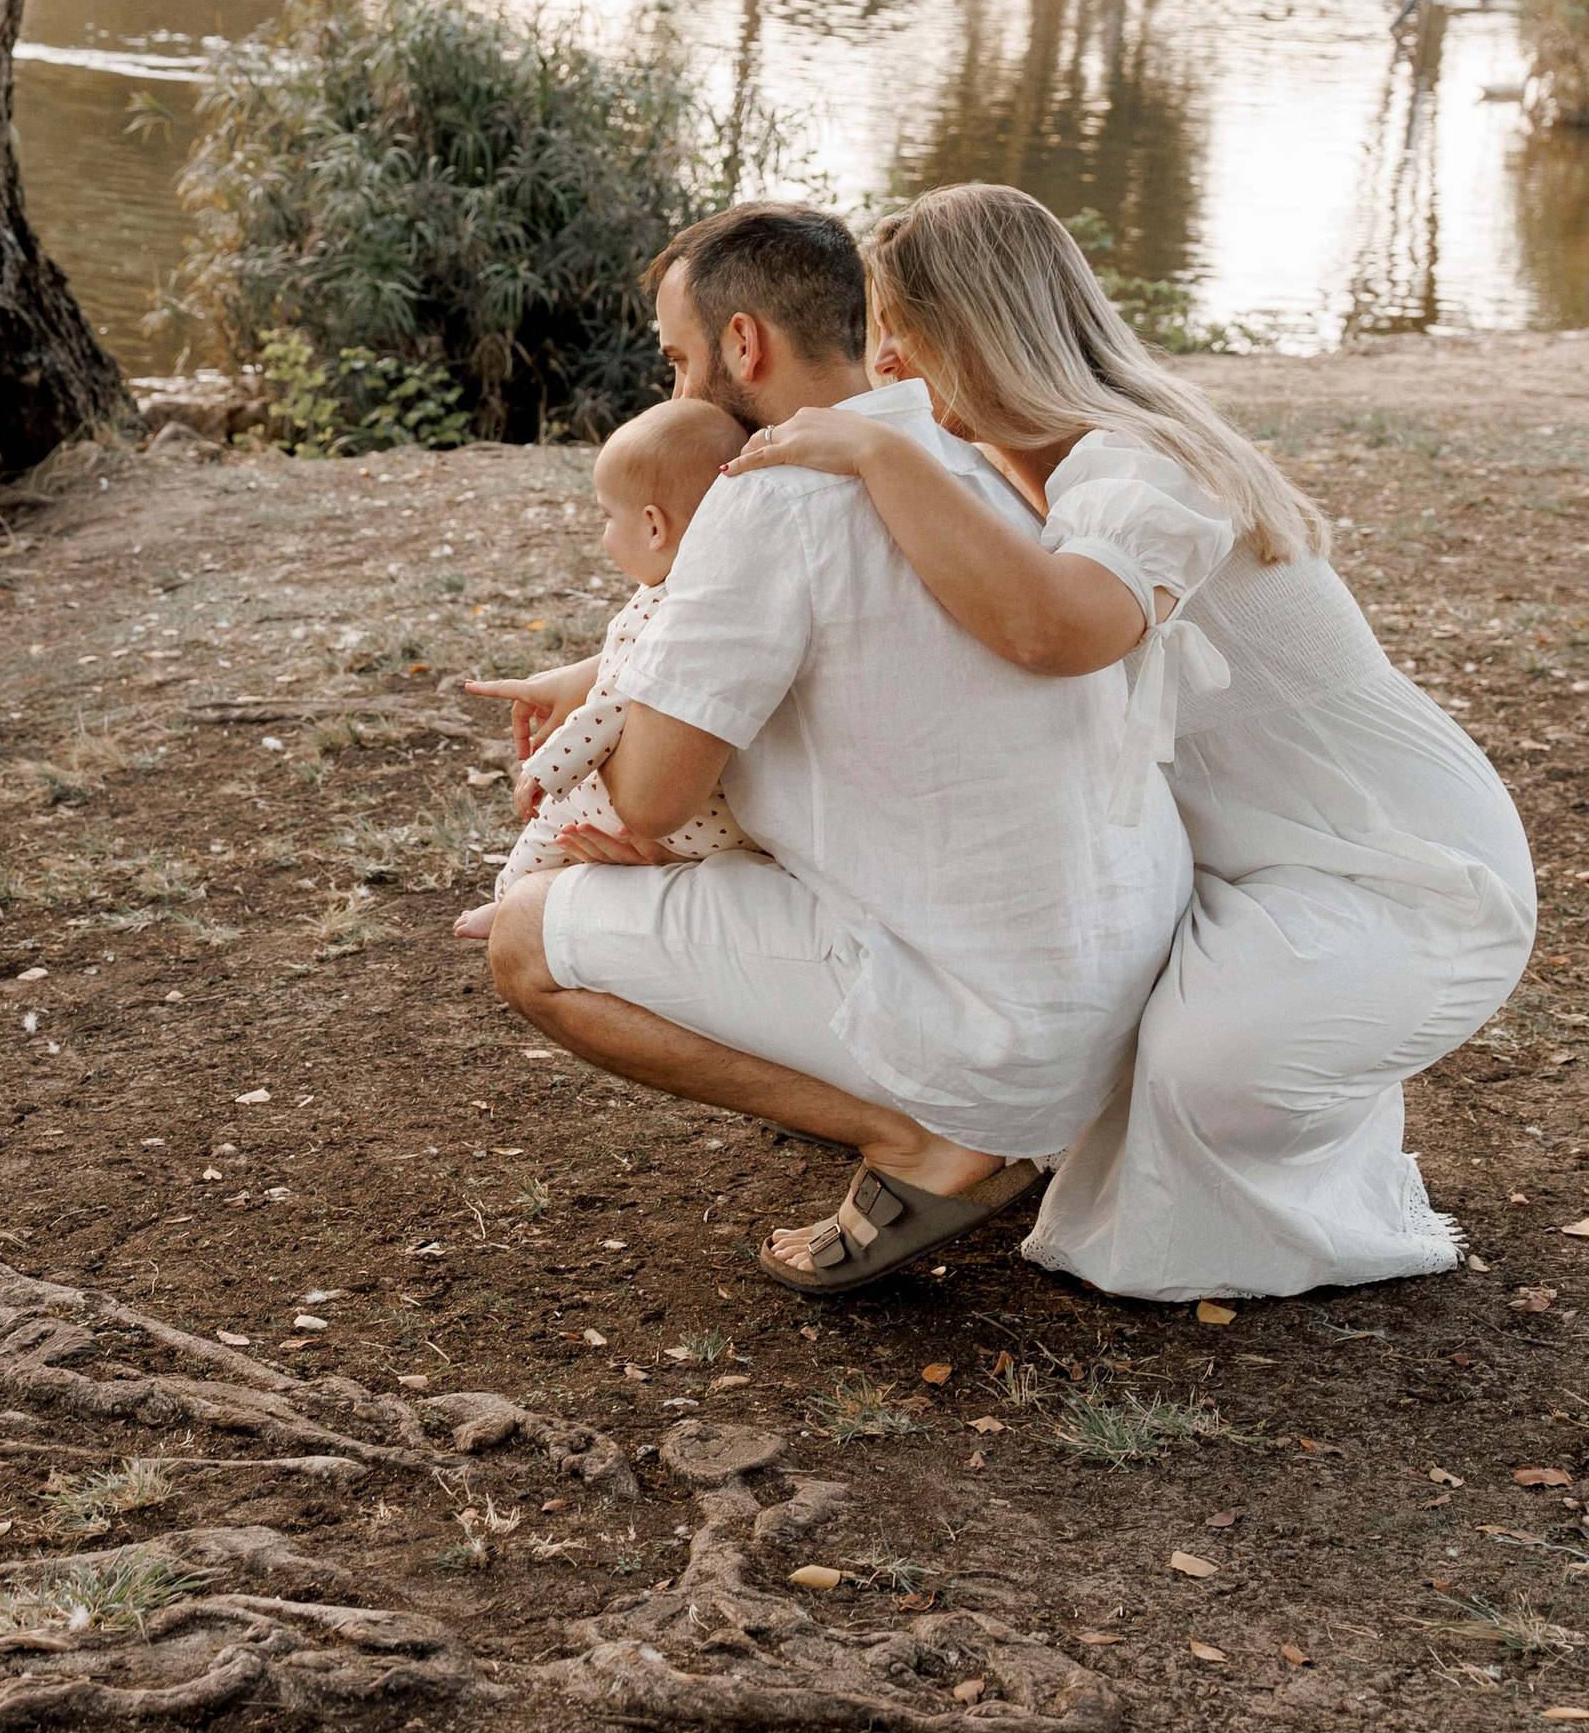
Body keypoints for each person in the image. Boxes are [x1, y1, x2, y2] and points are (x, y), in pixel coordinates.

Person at [729, 183, 1535, 1299]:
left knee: (1208, 1075)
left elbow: (1055, 630)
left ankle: (1306, 1122)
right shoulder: (1022, 461)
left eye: (898, 333)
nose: (889, 366)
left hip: (1399, 867)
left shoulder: (1143, 459)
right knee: (1095, 1024)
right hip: (1238, 868)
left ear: (976, 330)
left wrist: (881, 457)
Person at [473, 201, 1192, 1294]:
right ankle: (947, 1107)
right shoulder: (977, 455)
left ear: (744, 343)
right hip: (1121, 1005)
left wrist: (611, 744)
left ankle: (921, 1142)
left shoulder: (760, 496)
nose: (673, 396)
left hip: (1006, 1036)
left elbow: (654, 797)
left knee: (526, 938)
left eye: (677, 361)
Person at [451, 396, 753, 943]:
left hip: (679, 812)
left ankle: (507, 901)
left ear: (654, 527)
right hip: (725, 825)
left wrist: (547, 769)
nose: (603, 534)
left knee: (554, 822)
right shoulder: (718, 583)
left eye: (607, 517)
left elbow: (612, 706)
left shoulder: (670, 611)